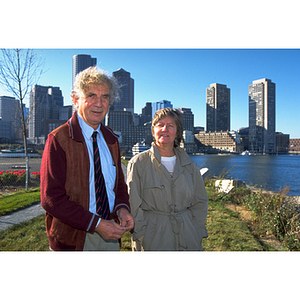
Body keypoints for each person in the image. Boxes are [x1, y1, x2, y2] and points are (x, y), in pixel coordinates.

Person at [41, 66, 134, 251]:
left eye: (105, 97)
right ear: (76, 100)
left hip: (110, 234)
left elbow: (119, 186)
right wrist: (96, 224)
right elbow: (50, 198)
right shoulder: (58, 140)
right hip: (72, 239)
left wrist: (122, 209)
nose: (99, 103)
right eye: (91, 95)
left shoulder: (111, 140)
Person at [127, 108, 208, 251]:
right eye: (160, 125)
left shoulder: (190, 165)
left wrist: (196, 231)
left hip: (188, 236)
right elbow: (133, 204)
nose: (165, 129)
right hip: (153, 238)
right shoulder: (138, 163)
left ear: (177, 132)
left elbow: (200, 202)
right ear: (153, 131)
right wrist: (142, 234)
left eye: (171, 126)